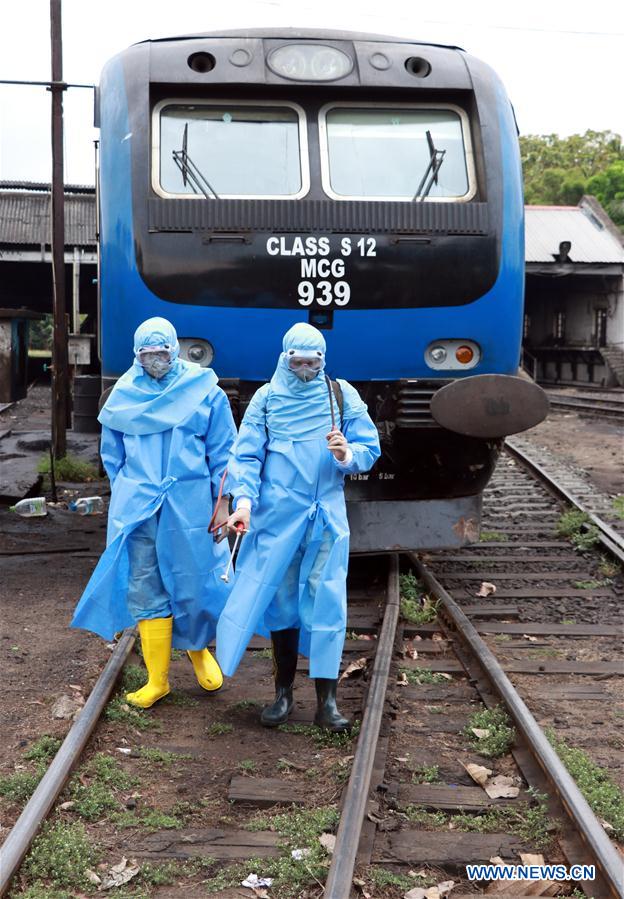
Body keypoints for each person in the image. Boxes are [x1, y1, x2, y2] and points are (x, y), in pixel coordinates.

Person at [216, 322, 381, 732]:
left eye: (313, 362)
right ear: (285, 358)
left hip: (325, 519)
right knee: (282, 604)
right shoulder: (266, 400)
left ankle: (327, 702)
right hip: (276, 519)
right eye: (298, 362)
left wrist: (348, 454)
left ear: (323, 360)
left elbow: (369, 447)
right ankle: (282, 694)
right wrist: (245, 503)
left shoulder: (341, 395)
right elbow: (247, 456)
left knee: (328, 603)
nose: (306, 369)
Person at [72, 317, 236, 708]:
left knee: (195, 576)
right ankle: (157, 678)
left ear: (174, 350)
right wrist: (130, 492)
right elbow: (112, 456)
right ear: (136, 355)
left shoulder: (205, 391)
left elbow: (224, 452)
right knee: (145, 582)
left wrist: (223, 501)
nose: (156, 362)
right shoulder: (123, 395)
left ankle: (199, 653)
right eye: (148, 355)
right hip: (138, 506)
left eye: (162, 354)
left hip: (192, 502)